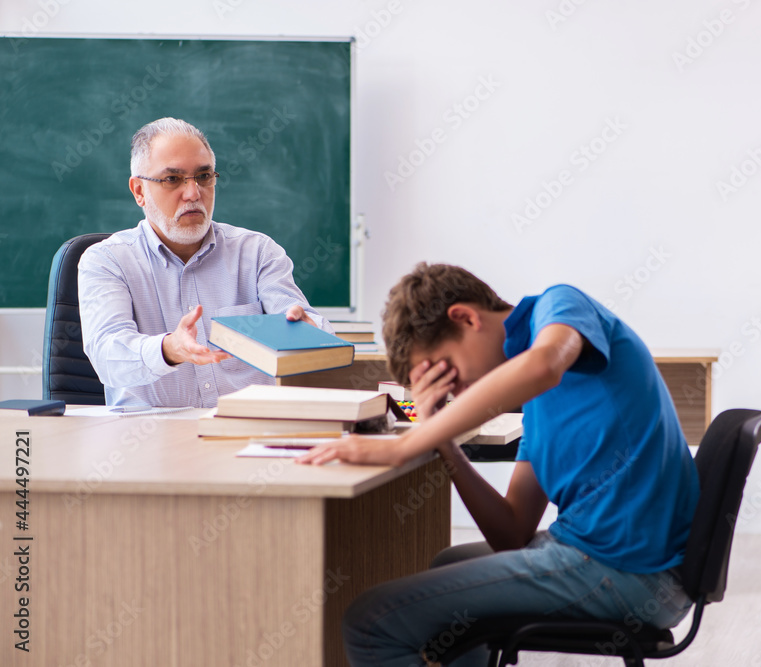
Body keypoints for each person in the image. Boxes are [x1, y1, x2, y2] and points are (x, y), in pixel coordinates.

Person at [296, 262, 700, 666]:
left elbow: (543, 364)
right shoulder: (538, 407)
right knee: (447, 564)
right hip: (624, 564)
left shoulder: (560, 306)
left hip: (630, 573)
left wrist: (407, 445)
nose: (456, 391)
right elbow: (512, 531)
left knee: (370, 623)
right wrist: (444, 442)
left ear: (467, 317)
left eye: (448, 371)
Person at [79, 117, 330, 408]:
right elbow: (108, 355)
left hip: (246, 433)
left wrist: (308, 330)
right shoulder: (107, 260)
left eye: (204, 176)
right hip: (151, 438)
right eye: (172, 179)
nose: (193, 193)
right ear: (139, 191)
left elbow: (306, 328)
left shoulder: (258, 252)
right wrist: (169, 348)